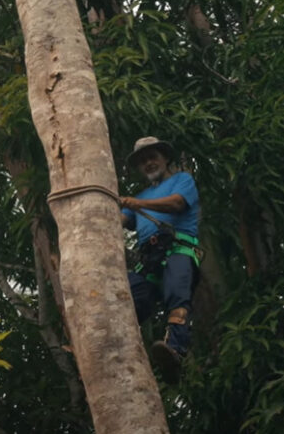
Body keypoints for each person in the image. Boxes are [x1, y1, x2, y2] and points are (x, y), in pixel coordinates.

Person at [120, 136, 201, 384]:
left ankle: (175, 349)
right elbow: (118, 220)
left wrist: (137, 203)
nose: (148, 163)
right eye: (143, 161)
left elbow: (177, 204)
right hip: (149, 258)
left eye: (152, 157)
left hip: (178, 249)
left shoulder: (182, 181)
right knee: (126, 300)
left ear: (165, 158)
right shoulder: (139, 197)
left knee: (177, 293)